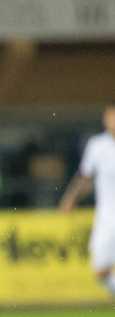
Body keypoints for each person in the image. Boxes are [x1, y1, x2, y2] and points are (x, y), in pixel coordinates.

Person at [59, 106, 115, 297]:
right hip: (107, 217)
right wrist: (70, 198)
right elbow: (86, 177)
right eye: (110, 117)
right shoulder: (97, 145)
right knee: (101, 272)